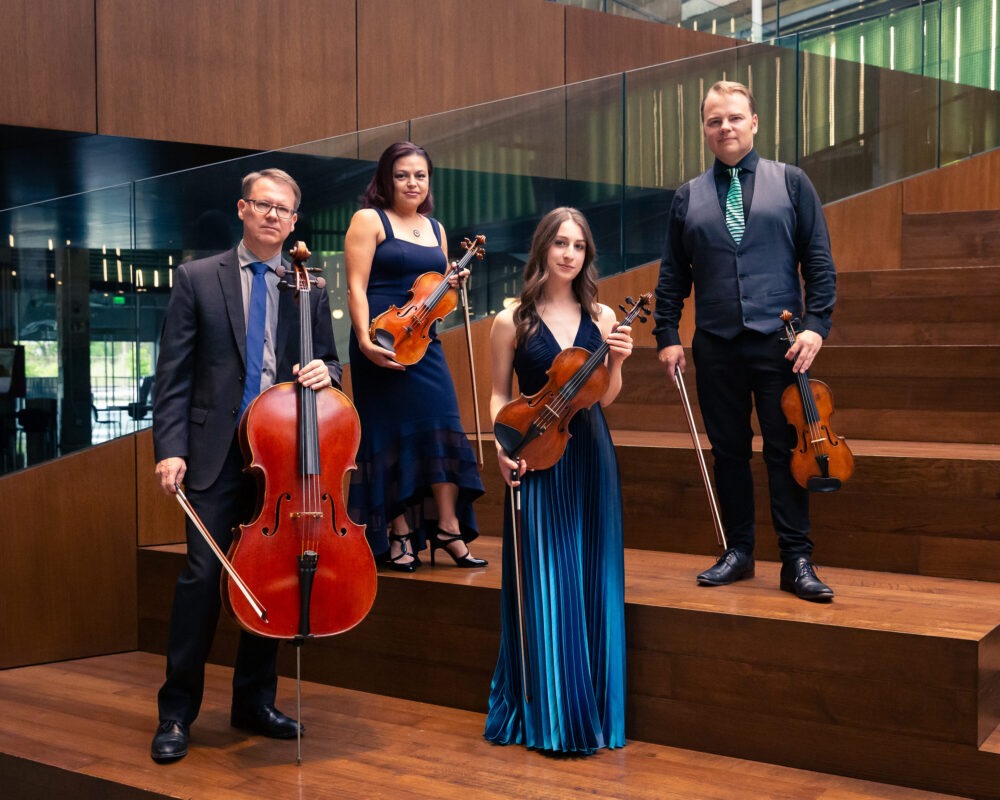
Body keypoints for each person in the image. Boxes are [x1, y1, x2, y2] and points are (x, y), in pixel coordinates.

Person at [150, 168, 342, 762]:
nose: (273, 216)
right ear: (242, 209)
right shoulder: (197, 279)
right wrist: (170, 449)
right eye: (263, 205)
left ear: (293, 220)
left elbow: (332, 367)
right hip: (211, 456)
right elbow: (173, 378)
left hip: (280, 461)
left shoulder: (306, 284)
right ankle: (176, 713)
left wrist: (324, 374)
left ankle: (253, 702)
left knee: (269, 583)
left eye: (284, 209)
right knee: (203, 580)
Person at [653, 81, 837, 602]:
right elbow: (672, 276)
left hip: (782, 345)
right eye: (715, 121)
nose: (725, 127)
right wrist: (668, 333)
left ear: (754, 122)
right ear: (706, 130)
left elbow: (819, 264)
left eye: (734, 118)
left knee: (787, 452)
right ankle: (738, 551)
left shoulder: (794, 183)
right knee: (729, 452)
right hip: (716, 344)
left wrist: (815, 326)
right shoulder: (688, 196)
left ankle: (797, 560)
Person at [485, 207, 632, 754]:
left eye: (579, 246)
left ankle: (595, 711)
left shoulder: (604, 315)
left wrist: (617, 364)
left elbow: (604, 399)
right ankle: (553, 717)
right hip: (534, 455)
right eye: (560, 244)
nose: (569, 254)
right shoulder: (511, 322)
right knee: (547, 580)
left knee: (593, 578)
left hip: (590, 452)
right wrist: (500, 446)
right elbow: (500, 395)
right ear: (543, 249)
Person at [344, 142, 485, 571]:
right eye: (403, 174)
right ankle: (399, 531)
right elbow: (355, 286)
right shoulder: (369, 219)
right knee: (389, 435)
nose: (412, 183)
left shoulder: (436, 228)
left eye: (420, 175)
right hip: (382, 339)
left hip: (425, 343)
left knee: (443, 426)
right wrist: (365, 342)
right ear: (386, 178)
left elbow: (434, 294)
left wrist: (452, 286)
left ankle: (447, 529)